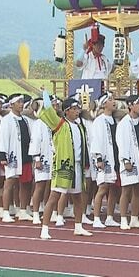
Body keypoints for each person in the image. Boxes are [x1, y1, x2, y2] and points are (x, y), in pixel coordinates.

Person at [38, 92, 93, 239]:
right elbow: (49, 110)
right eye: (74, 109)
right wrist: (45, 95)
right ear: (67, 110)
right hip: (64, 165)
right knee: (54, 196)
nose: (77, 111)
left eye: (78, 108)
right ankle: (44, 228)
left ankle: (78, 226)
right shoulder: (60, 124)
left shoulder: (80, 126)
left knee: (77, 197)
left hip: (78, 165)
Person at [0, 93, 32, 223]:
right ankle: (6, 211)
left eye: (22, 102)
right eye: (19, 102)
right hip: (13, 155)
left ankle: (22, 210)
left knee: (26, 183)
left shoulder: (25, 120)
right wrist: (2, 155)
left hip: (26, 155)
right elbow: (3, 138)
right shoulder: (7, 120)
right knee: (10, 183)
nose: (21, 104)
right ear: (11, 104)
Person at [115, 94, 139, 230]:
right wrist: (125, 160)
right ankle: (123, 219)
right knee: (126, 190)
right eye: (137, 103)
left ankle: (134, 218)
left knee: (138, 190)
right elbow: (121, 143)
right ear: (130, 106)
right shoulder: (124, 123)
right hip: (129, 160)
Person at [89, 92, 120, 228]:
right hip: (105, 158)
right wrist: (99, 158)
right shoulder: (99, 121)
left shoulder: (115, 120)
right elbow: (96, 140)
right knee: (102, 187)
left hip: (116, 156)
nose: (114, 102)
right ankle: (96, 218)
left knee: (114, 188)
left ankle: (110, 216)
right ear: (104, 104)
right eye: (110, 100)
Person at [28, 97, 56, 224]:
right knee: (40, 185)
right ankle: (35, 212)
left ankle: (47, 210)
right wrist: (37, 158)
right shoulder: (39, 123)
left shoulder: (54, 122)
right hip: (42, 157)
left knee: (50, 185)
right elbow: (35, 141)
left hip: (53, 157)